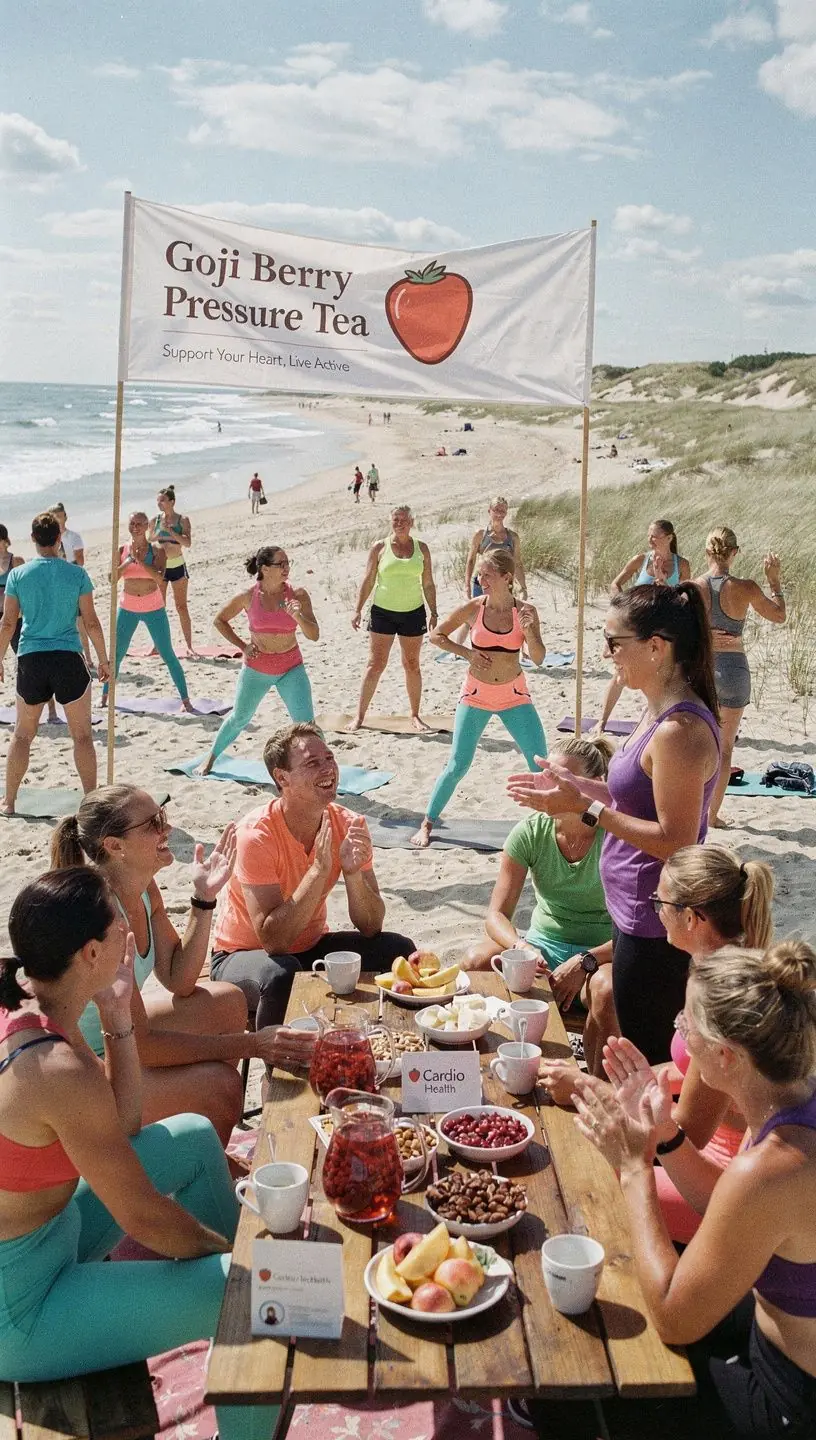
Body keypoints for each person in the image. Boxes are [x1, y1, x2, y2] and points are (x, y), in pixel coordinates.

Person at [0, 866, 278, 1440]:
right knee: (249, 1294)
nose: (132, 929)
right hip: (18, 1305)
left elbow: (122, 1124)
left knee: (195, 1136)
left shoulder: (35, 998)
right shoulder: (53, 1068)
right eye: (119, 919)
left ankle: (225, 1329)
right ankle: (234, 1325)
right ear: (92, 949)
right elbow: (146, 1221)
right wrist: (229, 1260)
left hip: (56, 1230)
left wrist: (117, 1012)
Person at [575, 940, 816, 1438]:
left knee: (586, 1380)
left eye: (686, 1025)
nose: (678, 1033)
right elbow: (729, 1206)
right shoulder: (792, 1102)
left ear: (726, 1055)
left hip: (790, 1398)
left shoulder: (772, 1167)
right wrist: (666, 1137)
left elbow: (673, 1319)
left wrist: (634, 1167)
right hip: (772, 1336)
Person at [508, 583, 721, 1065]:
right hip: (632, 913)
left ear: (656, 646)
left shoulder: (680, 732)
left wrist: (586, 810)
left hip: (656, 922)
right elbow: (634, 799)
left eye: (613, 642)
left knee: (647, 1059)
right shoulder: (656, 712)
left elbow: (677, 840)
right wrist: (578, 789)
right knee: (633, 1052)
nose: (607, 654)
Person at [50, 786, 314, 1144]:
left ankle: (202, 1131)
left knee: (228, 1001)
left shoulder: (143, 889)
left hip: (117, 1035)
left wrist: (204, 899)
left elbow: (179, 980)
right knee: (221, 1086)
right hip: (80, 1068)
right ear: (115, 846)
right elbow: (142, 1044)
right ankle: (200, 1149)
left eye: (163, 814)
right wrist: (252, 1044)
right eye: (153, 823)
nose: (168, 829)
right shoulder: (104, 918)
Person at [539, 844, 774, 1199]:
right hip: (714, 1155)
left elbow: (687, 1133)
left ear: (692, 918)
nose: (655, 912)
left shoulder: (722, 997)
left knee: (581, 1179)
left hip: (720, 1172)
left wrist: (587, 1089)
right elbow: (695, 1073)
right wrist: (630, 1084)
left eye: (659, 904)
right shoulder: (715, 966)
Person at [210, 723, 417, 1032]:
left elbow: (371, 925)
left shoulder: (347, 824)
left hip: (309, 948)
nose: (328, 769)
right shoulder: (256, 834)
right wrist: (318, 871)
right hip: (242, 956)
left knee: (397, 950)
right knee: (282, 974)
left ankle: (389, 1049)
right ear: (283, 778)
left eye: (330, 758)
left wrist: (352, 875)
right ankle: (279, 1073)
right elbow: (274, 941)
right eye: (312, 763)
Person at [463, 735, 618, 1076]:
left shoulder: (616, 837)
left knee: (605, 990)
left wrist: (586, 960)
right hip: (544, 944)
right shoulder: (530, 832)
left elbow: (638, 931)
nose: (552, 788)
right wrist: (522, 947)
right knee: (475, 961)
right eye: (549, 777)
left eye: (565, 780)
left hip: (604, 950)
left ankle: (594, 1087)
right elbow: (496, 915)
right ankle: (476, 1069)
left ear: (594, 787)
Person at [412, 549, 548, 849]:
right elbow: (436, 635)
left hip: (514, 696)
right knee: (458, 765)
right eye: (479, 574)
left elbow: (538, 658)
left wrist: (529, 631)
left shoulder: (525, 611)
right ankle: (428, 822)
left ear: (506, 577)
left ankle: (552, 824)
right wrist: (467, 653)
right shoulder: (474, 608)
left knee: (540, 763)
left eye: (486, 574)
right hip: (476, 696)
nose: (480, 579)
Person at [0, 512, 109, 816]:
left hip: (31, 659)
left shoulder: (18, 575)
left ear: (33, 539)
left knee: (23, 734)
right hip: (67, 658)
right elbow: (91, 622)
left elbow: (8, 623)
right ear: (60, 537)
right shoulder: (76, 574)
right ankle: (90, 801)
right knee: (83, 736)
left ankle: (9, 801)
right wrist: (103, 660)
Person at [693, 529, 786, 827]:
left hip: (702, 670)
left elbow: (668, 627)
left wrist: (706, 635)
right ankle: (712, 815)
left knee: (696, 745)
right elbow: (779, 615)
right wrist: (774, 581)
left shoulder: (694, 587)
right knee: (725, 747)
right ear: (734, 553)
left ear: (708, 553)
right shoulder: (745, 587)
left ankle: (691, 808)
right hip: (733, 670)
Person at [198, 544, 318, 774]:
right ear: (264, 568)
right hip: (257, 669)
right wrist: (243, 646)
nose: (286, 568)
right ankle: (210, 760)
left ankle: (324, 767)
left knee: (306, 724)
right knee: (239, 718)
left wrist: (298, 616)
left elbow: (314, 635)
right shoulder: (247, 596)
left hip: (291, 668)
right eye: (280, 564)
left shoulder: (298, 594)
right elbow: (219, 620)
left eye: (287, 563)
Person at [596, 519, 691, 734]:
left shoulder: (681, 564)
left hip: (662, 629)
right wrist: (623, 606)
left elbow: (685, 599)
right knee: (620, 672)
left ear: (669, 538)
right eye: (649, 535)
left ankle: (661, 718)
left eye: (655, 536)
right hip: (635, 625)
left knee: (664, 675)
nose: (650, 540)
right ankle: (601, 722)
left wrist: (666, 586)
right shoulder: (641, 559)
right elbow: (615, 583)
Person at [351, 506, 437, 733]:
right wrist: (358, 609)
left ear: (412, 521)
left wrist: (434, 611)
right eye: (395, 520)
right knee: (375, 664)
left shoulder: (422, 549)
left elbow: (428, 583)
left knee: (412, 665)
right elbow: (368, 580)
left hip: (413, 612)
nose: (399, 523)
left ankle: (415, 715)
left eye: (404, 520)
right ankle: (359, 716)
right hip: (382, 612)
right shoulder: (379, 547)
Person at [102, 511, 192, 712]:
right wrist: (129, 561)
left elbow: (161, 578)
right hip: (128, 607)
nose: (135, 527)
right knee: (116, 654)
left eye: (140, 524)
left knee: (167, 654)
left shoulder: (157, 549)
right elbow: (112, 579)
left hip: (153, 607)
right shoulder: (121, 549)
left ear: (147, 527)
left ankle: (185, 699)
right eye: (132, 523)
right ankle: (105, 697)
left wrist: (141, 562)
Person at [50, 502, 91, 705]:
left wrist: (66, 567)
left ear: (65, 516)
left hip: (72, 579)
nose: (57, 518)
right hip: (57, 581)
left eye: (59, 515)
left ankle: (88, 657)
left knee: (80, 620)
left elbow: (80, 560)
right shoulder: (48, 539)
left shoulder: (73, 537)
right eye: (53, 516)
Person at [148, 486, 194, 653]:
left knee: (181, 607)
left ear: (172, 502)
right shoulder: (155, 521)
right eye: (158, 501)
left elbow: (187, 543)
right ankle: (157, 645)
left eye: (163, 500)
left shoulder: (182, 520)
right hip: (160, 568)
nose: (159, 503)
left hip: (177, 565)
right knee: (158, 608)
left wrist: (169, 531)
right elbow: (150, 539)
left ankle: (189, 646)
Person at [463, 495, 528, 601]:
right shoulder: (480, 535)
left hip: (504, 583)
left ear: (506, 513)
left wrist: (523, 588)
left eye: (502, 510)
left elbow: (517, 563)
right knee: (482, 615)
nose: (499, 513)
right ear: (489, 511)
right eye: (496, 509)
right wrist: (467, 588)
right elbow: (471, 561)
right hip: (482, 583)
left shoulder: (513, 537)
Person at [0, 525, 23, 655]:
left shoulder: (16, 561)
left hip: (14, 614)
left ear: (4, 540)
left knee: (20, 652)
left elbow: (26, 590)